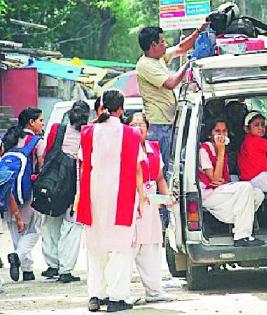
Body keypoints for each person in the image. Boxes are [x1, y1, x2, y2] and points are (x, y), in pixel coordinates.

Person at [76, 90, 144, 312]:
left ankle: (96, 295)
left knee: (95, 248)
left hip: (93, 196)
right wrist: (142, 197)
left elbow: (83, 165)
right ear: (121, 109)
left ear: (102, 107)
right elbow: (136, 169)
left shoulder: (88, 132)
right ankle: (117, 297)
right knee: (121, 249)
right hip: (121, 198)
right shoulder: (131, 134)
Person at [136, 22, 208, 175]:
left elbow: (182, 48)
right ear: (153, 45)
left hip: (170, 121)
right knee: (161, 169)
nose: (166, 44)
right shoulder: (145, 65)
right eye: (162, 42)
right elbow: (171, 83)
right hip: (159, 125)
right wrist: (189, 63)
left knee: (172, 166)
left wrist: (198, 31)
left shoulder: (159, 58)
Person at [40, 101, 90, 283]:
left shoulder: (56, 129)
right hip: (76, 183)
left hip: (54, 182)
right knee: (72, 226)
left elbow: (46, 155)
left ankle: (52, 265)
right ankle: (65, 270)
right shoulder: (88, 133)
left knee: (51, 221)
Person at [127, 113, 175, 303]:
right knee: (128, 246)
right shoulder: (124, 149)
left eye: (142, 124)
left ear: (148, 129)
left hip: (151, 202)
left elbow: (160, 177)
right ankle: (121, 292)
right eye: (133, 124)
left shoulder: (153, 148)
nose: (138, 128)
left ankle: (154, 291)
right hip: (131, 201)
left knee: (151, 246)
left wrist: (167, 197)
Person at [199, 117, 265, 247]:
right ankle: (242, 236)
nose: (221, 135)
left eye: (224, 131)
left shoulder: (222, 150)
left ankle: (239, 223)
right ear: (209, 133)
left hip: (220, 190)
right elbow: (215, 178)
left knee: (257, 194)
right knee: (245, 187)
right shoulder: (204, 150)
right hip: (208, 193)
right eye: (217, 131)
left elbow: (222, 180)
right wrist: (221, 151)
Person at [2, 108, 45, 282]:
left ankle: (26, 269)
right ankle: (19, 257)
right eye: (40, 120)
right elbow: (41, 166)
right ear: (31, 122)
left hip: (7, 190)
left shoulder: (9, 139)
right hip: (28, 191)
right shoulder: (37, 142)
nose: (42, 123)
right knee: (34, 229)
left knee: (16, 229)